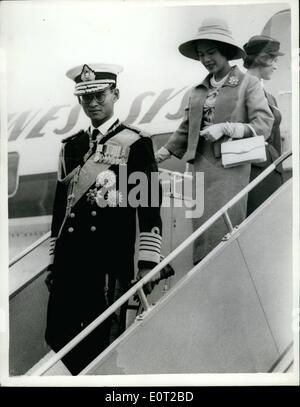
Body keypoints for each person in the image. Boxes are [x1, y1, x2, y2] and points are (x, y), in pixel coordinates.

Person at [45, 63, 162, 375]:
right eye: (86, 98)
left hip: (108, 258)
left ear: (115, 94)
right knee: (57, 334)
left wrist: (148, 260)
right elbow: (61, 207)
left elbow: (149, 204)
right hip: (71, 259)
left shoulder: (136, 141)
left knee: (103, 338)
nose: (93, 103)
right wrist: (54, 260)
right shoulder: (72, 145)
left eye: (100, 95)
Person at [155, 18, 274, 265]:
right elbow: (187, 129)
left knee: (224, 229)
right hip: (201, 166)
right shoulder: (197, 90)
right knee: (201, 231)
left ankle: (224, 277)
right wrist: (163, 153)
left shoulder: (247, 83)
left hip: (231, 168)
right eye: (201, 54)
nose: (206, 59)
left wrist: (227, 128)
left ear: (226, 52)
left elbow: (264, 124)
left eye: (211, 52)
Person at [243, 35, 285, 215]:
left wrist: (278, 165)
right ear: (262, 59)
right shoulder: (236, 90)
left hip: (272, 170)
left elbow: (275, 138)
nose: (276, 65)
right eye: (273, 60)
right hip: (249, 172)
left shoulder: (271, 97)